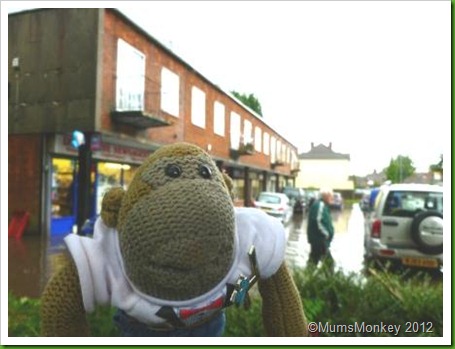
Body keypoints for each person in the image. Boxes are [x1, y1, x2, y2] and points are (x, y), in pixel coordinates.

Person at [306, 188, 335, 269]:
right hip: (320, 240)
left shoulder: (322, 205)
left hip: (319, 240)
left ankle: (308, 278)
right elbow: (317, 221)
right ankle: (327, 280)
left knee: (313, 261)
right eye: (330, 196)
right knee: (329, 264)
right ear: (325, 196)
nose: (332, 198)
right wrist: (327, 234)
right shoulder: (320, 205)